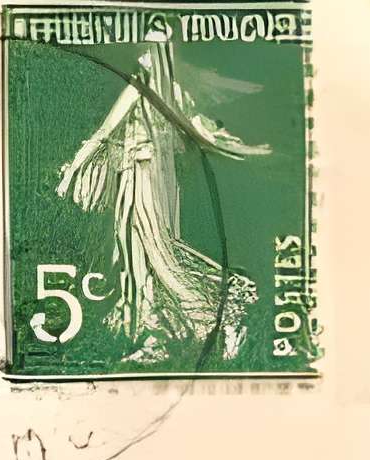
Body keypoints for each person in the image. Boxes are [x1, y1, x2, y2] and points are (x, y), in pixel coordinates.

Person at [54, 19, 273, 365]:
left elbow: (104, 132)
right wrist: (245, 148)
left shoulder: (142, 88)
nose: (145, 55)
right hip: (154, 179)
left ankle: (217, 313)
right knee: (147, 254)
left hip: (141, 177)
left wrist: (72, 172)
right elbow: (206, 132)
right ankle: (159, 333)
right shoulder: (174, 92)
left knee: (150, 252)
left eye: (150, 48)